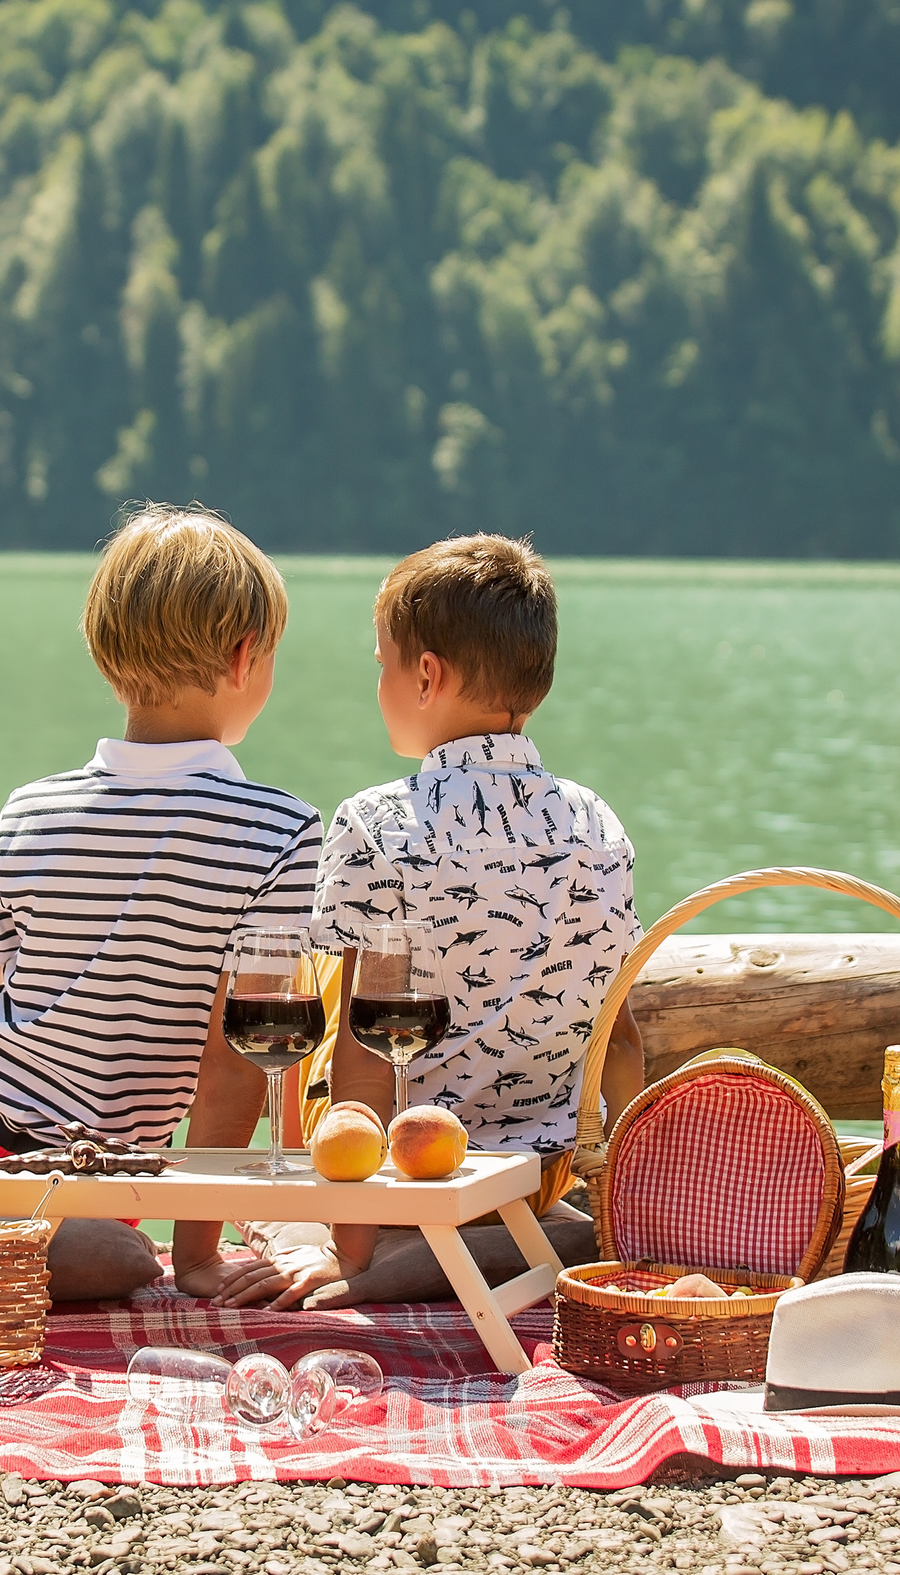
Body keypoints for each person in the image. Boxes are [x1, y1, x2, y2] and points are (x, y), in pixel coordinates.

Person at [0, 504, 320, 1300]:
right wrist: (196, 1256)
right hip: (94, 1172)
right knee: (115, 1260)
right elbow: (233, 1067)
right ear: (245, 656)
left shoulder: (31, 809)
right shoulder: (281, 834)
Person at [209, 533, 646, 1309]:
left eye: (381, 664)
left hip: (416, 1173)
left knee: (313, 995)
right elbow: (624, 1032)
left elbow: (366, 1053)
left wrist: (356, 1261)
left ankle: (396, 1248)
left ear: (426, 675)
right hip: (538, 1174)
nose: (376, 683)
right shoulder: (600, 823)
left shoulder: (376, 823)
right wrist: (619, 1191)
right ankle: (556, 1232)